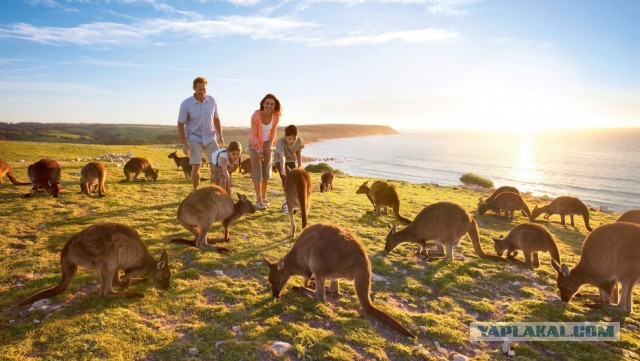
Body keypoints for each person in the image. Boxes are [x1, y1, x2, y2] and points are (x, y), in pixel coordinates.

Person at [177, 76, 224, 190]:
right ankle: (195, 191)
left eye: (204, 89)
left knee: (216, 166)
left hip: (210, 138)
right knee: (196, 166)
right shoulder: (186, 104)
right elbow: (180, 124)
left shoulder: (212, 101)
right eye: (200, 89)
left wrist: (220, 135)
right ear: (194, 88)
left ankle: (217, 192)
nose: (202, 92)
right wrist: (185, 143)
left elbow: (216, 119)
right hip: (194, 138)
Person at [248, 94, 280, 210]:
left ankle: (263, 196)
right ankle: (258, 200)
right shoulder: (256, 115)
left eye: (272, 104)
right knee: (258, 171)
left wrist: (270, 145)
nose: (269, 106)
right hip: (254, 143)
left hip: (267, 143)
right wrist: (258, 150)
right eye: (267, 103)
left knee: (266, 170)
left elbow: (273, 132)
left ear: (274, 105)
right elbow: (253, 134)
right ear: (263, 104)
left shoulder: (276, 116)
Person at [274, 124, 304, 213]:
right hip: (279, 160)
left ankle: (292, 202)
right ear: (285, 136)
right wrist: (282, 168)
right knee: (286, 180)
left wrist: (300, 166)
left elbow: (298, 153)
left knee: (295, 182)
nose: (292, 141)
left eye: (294, 138)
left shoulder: (299, 141)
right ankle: (285, 204)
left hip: (291, 159)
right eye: (289, 138)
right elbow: (281, 155)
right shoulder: (280, 142)